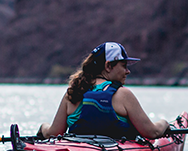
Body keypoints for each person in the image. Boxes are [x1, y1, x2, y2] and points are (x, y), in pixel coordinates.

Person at [37, 42, 170, 140]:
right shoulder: (123, 95)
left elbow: (53, 134)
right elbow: (152, 133)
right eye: (124, 66)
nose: (128, 71)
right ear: (108, 66)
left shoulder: (73, 93)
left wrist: (43, 127)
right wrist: (164, 123)